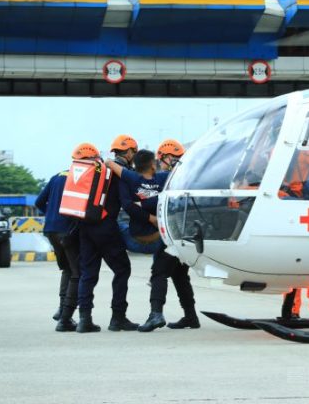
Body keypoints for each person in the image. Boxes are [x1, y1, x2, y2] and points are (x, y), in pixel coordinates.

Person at [106, 150, 199, 333]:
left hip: (138, 238)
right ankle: (190, 315)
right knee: (175, 274)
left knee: (163, 273)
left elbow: (126, 204)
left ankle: (159, 315)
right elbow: (178, 187)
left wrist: (143, 208)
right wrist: (154, 210)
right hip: (165, 236)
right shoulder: (164, 178)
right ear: (153, 164)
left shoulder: (129, 179)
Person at [74, 142, 138, 333]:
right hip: (105, 226)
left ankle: (84, 319)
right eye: (133, 151)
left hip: (85, 225)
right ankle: (118, 318)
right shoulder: (118, 172)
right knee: (122, 269)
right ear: (128, 152)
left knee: (88, 273)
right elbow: (127, 203)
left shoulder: (95, 170)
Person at [35, 168, 80, 332]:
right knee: (77, 273)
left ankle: (62, 309)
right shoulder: (80, 177)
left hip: (51, 229)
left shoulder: (56, 177)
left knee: (67, 269)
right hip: (67, 229)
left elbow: (39, 202)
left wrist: (51, 215)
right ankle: (65, 318)